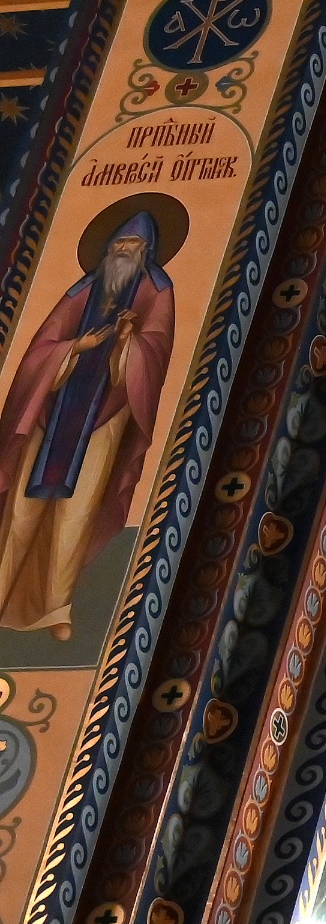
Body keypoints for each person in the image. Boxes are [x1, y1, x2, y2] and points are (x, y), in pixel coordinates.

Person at [0, 203, 179, 637]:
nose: (125, 250)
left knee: (76, 514)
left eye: (134, 244)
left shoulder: (157, 291)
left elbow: (156, 352)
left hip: (105, 417)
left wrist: (126, 343)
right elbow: (41, 348)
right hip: (51, 412)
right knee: (21, 510)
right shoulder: (82, 290)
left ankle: (54, 610)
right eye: (120, 242)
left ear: (148, 251)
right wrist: (73, 350)